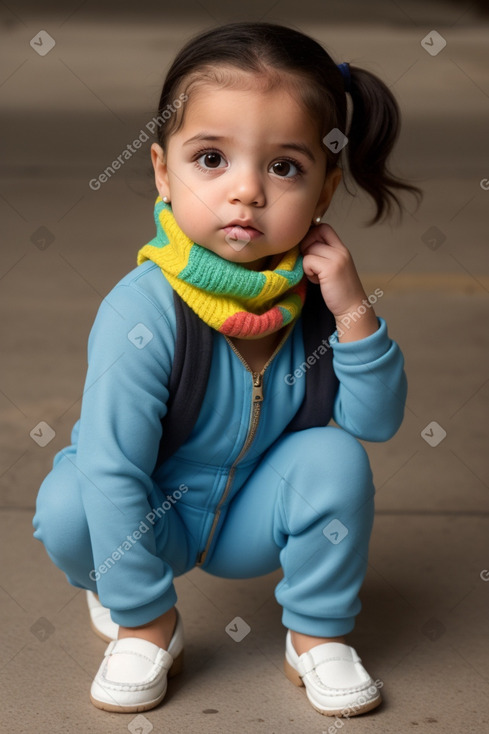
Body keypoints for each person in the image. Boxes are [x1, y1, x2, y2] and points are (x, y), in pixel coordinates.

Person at [33, 21, 419, 717]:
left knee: (334, 454)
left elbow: (377, 421)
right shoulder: (141, 311)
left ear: (326, 190)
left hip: (251, 516)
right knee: (69, 503)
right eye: (211, 159)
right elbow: (114, 470)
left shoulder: (319, 302)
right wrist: (143, 611)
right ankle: (141, 616)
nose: (246, 192)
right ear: (161, 170)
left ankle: (315, 636)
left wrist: (354, 308)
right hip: (153, 516)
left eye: (283, 167)